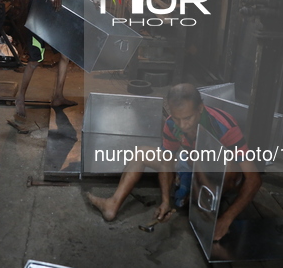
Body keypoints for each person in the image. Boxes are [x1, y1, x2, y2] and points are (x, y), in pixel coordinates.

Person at [87, 83, 262, 241]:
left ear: (200, 108)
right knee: (141, 153)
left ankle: (205, 203)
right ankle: (112, 204)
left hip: (216, 174)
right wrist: (165, 201)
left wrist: (226, 219)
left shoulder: (224, 126)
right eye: (177, 118)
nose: (183, 125)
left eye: (187, 118)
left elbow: (254, 179)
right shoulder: (172, 125)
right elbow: (166, 162)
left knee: (229, 166)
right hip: (190, 164)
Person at [15, 0, 98, 118]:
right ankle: (20, 97)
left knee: (66, 53)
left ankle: (58, 96)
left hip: (53, 11)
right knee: (36, 59)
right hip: (39, 12)